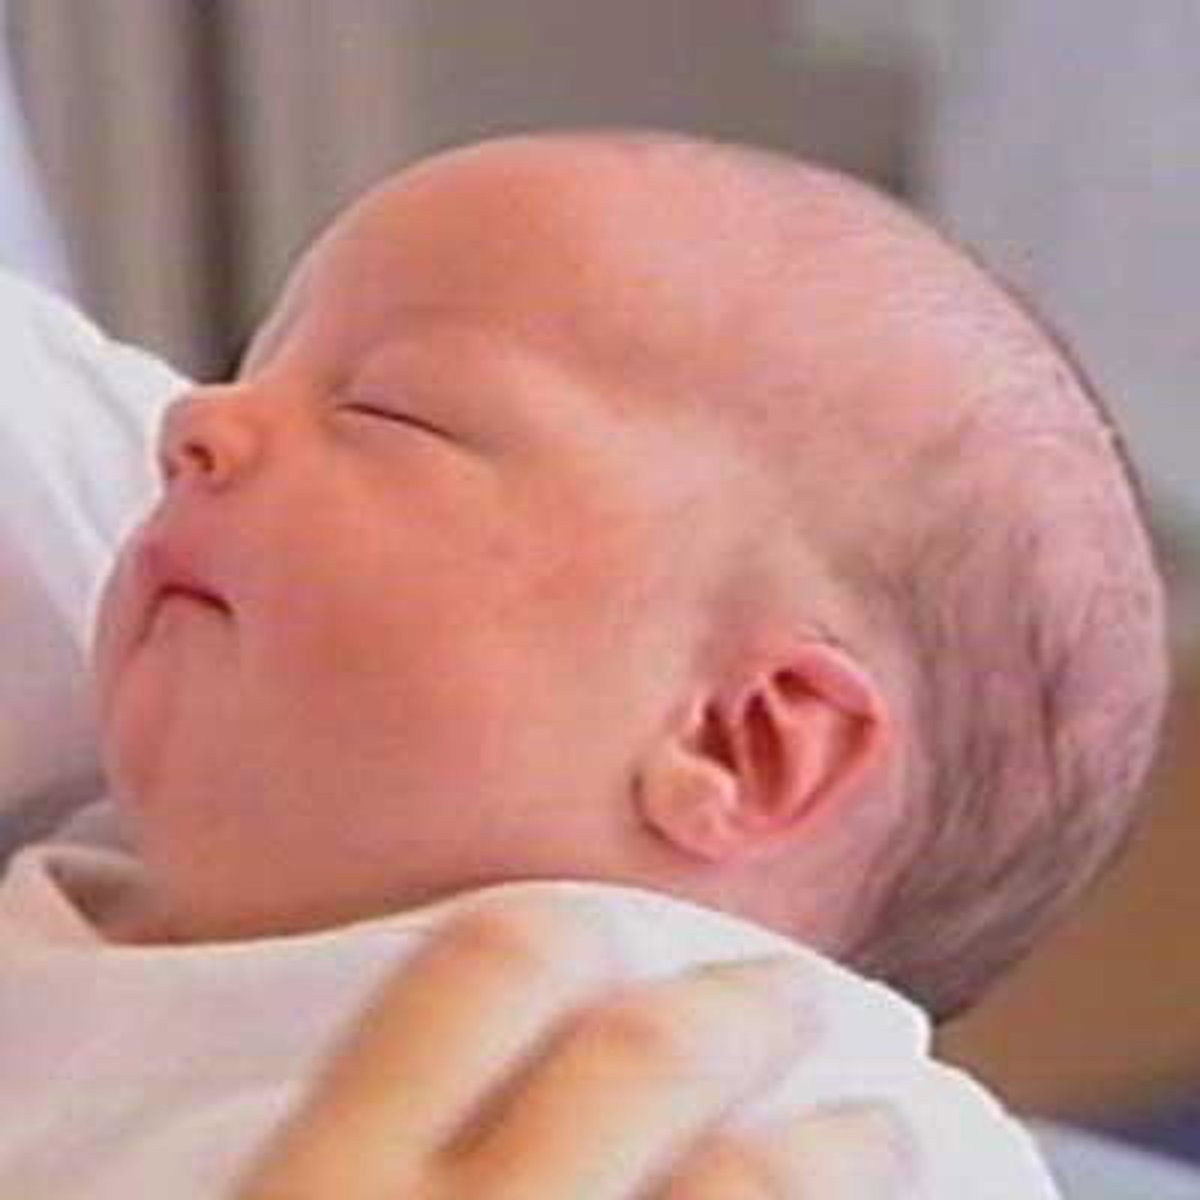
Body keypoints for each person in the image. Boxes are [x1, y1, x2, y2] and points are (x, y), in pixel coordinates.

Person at [0, 130, 1166, 1196]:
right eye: (248, 368)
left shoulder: (782, 1099)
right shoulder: (77, 904)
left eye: (391, 412)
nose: (192, 422)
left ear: (740, 738)